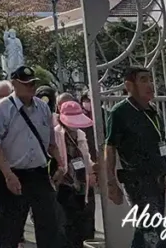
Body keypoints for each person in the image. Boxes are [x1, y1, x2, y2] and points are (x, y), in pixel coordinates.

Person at [0, 66, 63, 248]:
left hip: (39, 174)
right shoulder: (2, 109)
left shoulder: (42, 108)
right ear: (14, 84)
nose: (31, 87)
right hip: (12, 174)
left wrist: (61, 164)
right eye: (26, 84)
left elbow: (51, 142)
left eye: (33, 83)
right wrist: (8, 174)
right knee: (8, 229)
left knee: (50, 225)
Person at [104, 65, 166, 248]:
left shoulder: (152, 111)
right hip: (137, 181)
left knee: (146, 229)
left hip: (157, 180)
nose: (150, 84)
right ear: (129, 85)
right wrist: (111, 183)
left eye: (150, 79)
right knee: (155, 229)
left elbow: (160, 146)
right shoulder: (120, 113)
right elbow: (110, 147)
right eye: (143, 80)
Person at [55, 100, 96, 248]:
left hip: (82, 185)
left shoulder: (80, 134)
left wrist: (92, 170)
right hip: (64, 185)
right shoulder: (56, 134)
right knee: (67, 226)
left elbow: (86, 157)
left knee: (84, 225)